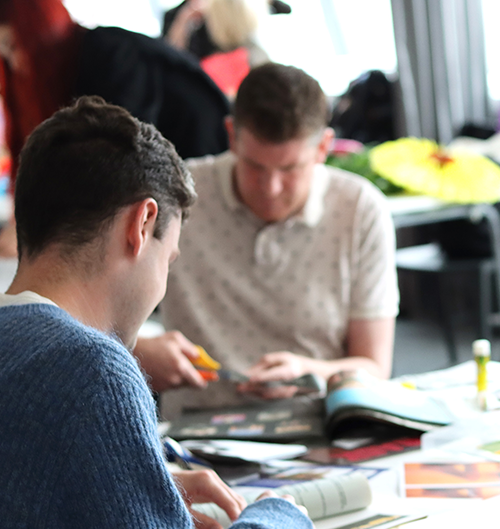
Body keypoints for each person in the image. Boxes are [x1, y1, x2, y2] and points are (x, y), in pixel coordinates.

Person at [0, 96, 314, 529]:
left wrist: (127, 497)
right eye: (170, 259)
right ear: (143, 224)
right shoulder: (89, 372)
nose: (161, 287)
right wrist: (277, 523)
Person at [134, 63, 398, 416]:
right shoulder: (178, 196)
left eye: (290, 170)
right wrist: (136, 351)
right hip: (198, 428)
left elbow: (374, 368)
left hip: (318, 422)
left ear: (323, 147)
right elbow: (85, 314)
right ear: (232, 136)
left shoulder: (360, 209)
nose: (271, 188)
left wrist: (309, 373)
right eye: (255, 166)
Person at [0, 0, 231, 257]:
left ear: (39, 34)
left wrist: (38, 232)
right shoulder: (78, 68)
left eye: (12, 46)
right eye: (1, 51)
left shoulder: (107, 57)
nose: (12, 62)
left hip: (201, 158)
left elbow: (119, 165)